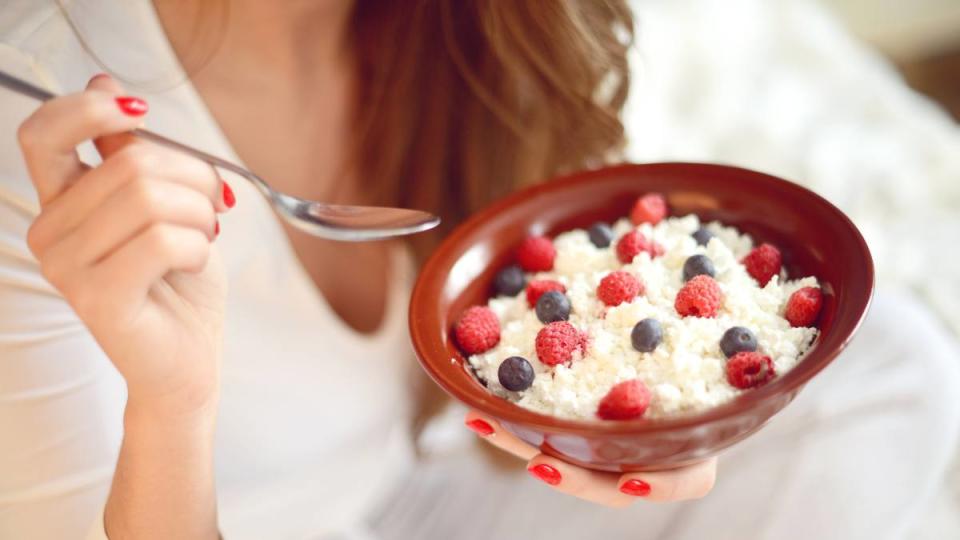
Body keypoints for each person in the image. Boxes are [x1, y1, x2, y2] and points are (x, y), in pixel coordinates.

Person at [0, 1, 957, 539]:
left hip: (417, 494)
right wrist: (173, 408)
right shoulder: (43, 134)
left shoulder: (462, 27)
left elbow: (558, 302)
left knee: (894, 372)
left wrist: (658, 407)